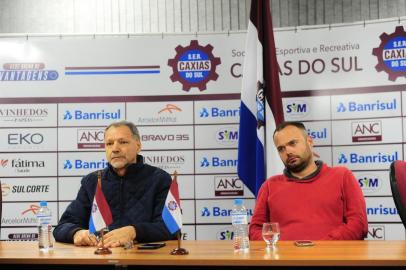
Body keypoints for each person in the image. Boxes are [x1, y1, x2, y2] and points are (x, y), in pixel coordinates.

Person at [53, 121, 176, 247]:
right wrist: (76, 233)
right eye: (109, 144)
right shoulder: (92, 181)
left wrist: (133, 231)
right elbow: (62, 227)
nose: (115, 149)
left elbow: (171, 228)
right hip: (99, 260)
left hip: (143, 261)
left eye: (123, 142)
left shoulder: (160, 179)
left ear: (138, 145)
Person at [249, 121, 368, 240]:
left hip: (332, 256)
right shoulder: (269, 186)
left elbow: (358, 224)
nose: (288, 152)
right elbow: (255, 230)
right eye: (281, 149)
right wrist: (282, 248)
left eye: (293, 143)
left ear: (309, 142)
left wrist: (322, 247)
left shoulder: (342, 176)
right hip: (285, 257)